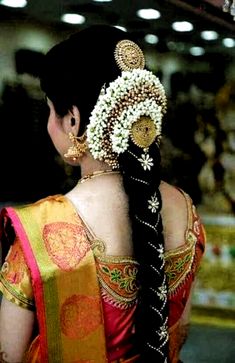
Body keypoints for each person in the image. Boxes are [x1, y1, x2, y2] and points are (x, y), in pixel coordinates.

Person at [0, 25, 205, 363]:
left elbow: (11, 355)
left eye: (51, 109)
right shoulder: (183, 208)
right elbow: (178, 334)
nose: (50, 122)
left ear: (74, 120)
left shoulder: (41, 232)